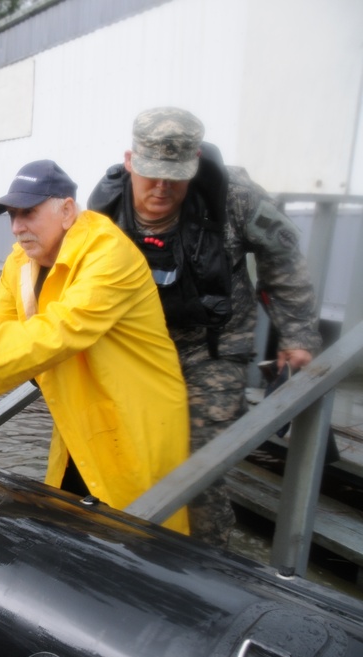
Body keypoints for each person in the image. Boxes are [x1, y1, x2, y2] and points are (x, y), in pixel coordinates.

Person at [0, 159, 190, 534]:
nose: (17, 228)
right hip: (83, 421)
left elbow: (60, 330)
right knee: (81, 532)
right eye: (12, 216)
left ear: (66, 211)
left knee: (144, 542)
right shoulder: (22, 264)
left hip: (137, 421)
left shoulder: (108, 253)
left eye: (28, 213)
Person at [87, 107, 321, 547]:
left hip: (214, 347)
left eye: (176, 175)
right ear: (130, 160)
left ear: (195, 162)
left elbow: (284, 259)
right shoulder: (105, 209)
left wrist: (298, 335)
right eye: (152, 173)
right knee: (129, 452)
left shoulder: (234, 196)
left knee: (197, 460)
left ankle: (211, 561)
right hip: (141, 349)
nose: (162, 187)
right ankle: (134, 548)